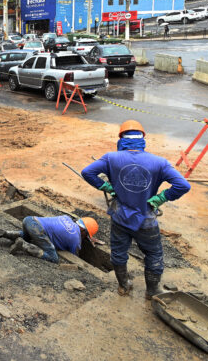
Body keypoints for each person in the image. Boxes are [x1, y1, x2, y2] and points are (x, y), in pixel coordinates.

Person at [82, 120, 191, 299]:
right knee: (153, 253)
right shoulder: (159, 162)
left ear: (121, 139)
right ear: (142, 140)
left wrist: (107, 187)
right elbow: (182, 185)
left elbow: (87, 172)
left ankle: (124, 286)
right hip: (146, 219)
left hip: (120, 217)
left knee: (119, 252)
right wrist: (162, 198)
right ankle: (153, 291)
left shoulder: (111, 158)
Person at [0, 216, 99, 263]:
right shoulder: (75, 239)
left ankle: (5, 233)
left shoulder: (66, 217)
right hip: (37, 229)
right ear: (84, 231)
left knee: (28, 236)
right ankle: (24, 246)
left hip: (30, 220)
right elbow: (74, 258)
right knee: (54, 258)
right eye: (86, 236)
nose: (84, 238)